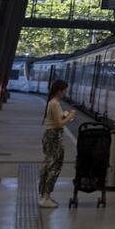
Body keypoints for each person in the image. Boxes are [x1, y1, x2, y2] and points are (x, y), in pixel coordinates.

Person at [39, 79, 74, 209]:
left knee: (49, 165)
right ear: (59, 90)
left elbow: (56, 120)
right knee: (54, 167)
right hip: (54, 137)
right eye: (64, 90)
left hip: (50, 136)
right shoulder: (55, 104)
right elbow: (59, 123)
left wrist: (65, 116)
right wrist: (70, 116)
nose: (65, 93)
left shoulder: (52, 103)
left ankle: (44, 194)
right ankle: (45, 196)